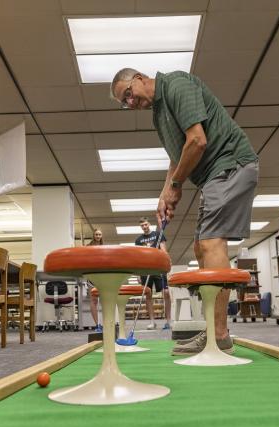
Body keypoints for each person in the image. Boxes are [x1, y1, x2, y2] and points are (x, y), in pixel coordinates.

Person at [111, 69, 259, 355]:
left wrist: (177, 185)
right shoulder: (159, 114)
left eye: (128, 93)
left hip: (230, 165)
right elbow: (177, 157)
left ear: (140, 78)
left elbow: (197, 141)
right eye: (124, 102)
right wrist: (164, 194)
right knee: (200, 248)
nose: (130, 103)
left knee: (211, 242)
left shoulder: (176, 84)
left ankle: (219, 336)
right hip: (213, 176)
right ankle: (213, 332)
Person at [134, 217, 171, 330]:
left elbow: (164, 250)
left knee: (166, 292)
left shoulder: (158, 234)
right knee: (148, 294)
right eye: (142, 226)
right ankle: (152, 322)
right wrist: (138, 274)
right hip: (145, 269)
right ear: (140, 227)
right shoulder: (138, 240)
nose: (144, 227)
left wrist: (167, 262)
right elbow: (138, 257)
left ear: (149, 224)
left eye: (146, 224)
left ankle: (168, 321)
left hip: (158, 267)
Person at [86, 229, 103, 329]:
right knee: (94, 300)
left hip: (102, 275)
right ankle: (97, 324)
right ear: (93, 235)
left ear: (101, 236)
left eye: (99, 234)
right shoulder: (88, 247)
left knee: (105, 299)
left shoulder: (104, 247)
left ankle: (106, 323)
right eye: (96, 234)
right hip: (91, 275)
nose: (98, 236)